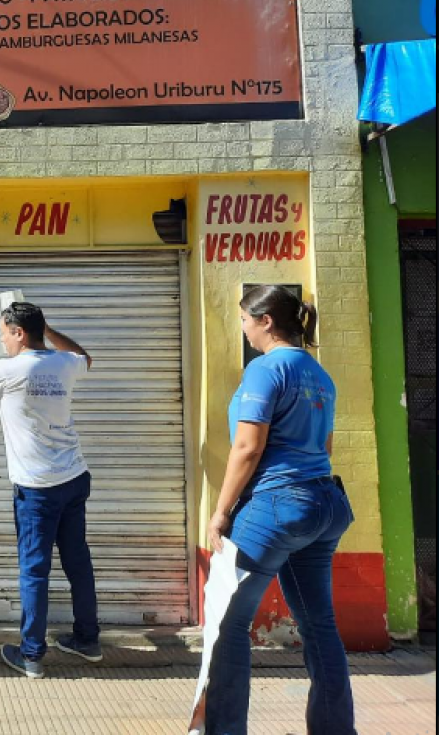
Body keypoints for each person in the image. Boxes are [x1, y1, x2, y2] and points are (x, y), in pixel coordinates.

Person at [194, 285, 357, 735]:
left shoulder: (266, 369)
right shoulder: (318, 373)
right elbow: (325, 446)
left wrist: (222, 511)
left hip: (277, 504)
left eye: (245, 319)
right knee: (319, 623)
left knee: (229, 622)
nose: (243, 329)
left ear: (266, 321)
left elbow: (247, 448)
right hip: (324, 502)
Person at [0, 301, 101, 679]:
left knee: (34, 569)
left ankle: (31, 655)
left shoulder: (11, 369)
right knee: (77, 560)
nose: (1, 338)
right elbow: (84, 356)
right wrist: (50, 333)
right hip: (75, 477)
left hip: (37, 488)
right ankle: (87, 640)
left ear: (19, 333)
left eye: (3, 332)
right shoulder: (64, 362)